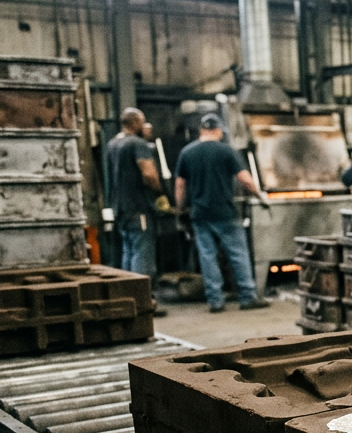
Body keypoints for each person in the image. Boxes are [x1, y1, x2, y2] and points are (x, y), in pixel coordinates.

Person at [174, 113, 271, 313]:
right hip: (225, 213)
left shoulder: (187, 153)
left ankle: (215, 301)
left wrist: (181, 208)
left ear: (201, 130)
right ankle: (247, 297)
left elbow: (180, 184)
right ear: (218, 130)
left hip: (200, 214)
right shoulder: (227, 151)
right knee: (237, 254)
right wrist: (260, 196)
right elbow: (245, 179)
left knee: (207, 256)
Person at [106, 108, 162, 278]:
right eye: (142, 121)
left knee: (128, 251)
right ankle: (142, 296)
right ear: (136, 123)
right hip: (138, 207)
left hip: (120, 208)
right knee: (142, 253)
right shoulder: (137, 144)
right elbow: (149, 173)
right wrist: (159, 192)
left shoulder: (112, 144)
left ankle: (129, 291)